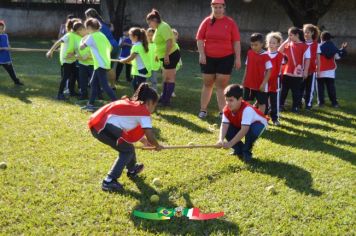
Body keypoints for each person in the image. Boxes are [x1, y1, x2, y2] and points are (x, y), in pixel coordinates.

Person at [89, 83, 163, 192]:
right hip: (103, 127)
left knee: (128, 147)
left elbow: (127, 125)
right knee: (127, 150)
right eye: (155, 105)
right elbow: (150, 135)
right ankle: (109, 181)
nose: (154, 109)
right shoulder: (143, 111)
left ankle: (132, 169)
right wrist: (157, 145)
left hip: (99, 125)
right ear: (150, 103)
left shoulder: (134, 105)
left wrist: (143, 140)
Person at [196, 0, 241, 119]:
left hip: (226, 58)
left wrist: (238, 58)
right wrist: (202, 54)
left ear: (224, 8)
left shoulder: (230, 22)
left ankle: (223, 112)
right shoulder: (206, 21)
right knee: (208, 84)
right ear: (212, 8)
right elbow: (200, 39)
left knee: (221, 85)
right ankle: (203, 110)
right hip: (208, 58)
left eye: (220, 7)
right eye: (215, 7)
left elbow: (236, 42)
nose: (217, 9)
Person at [217, 84, 268, 162]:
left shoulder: (247, 110)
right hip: (241, 123)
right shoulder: (226, 109)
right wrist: (220, 139)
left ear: (240, 99)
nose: (228, 103)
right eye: (226, 100)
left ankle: (246, 152)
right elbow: (224, 125)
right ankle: (238, 150)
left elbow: (244, 130)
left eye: (231, 100)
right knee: (228, 129)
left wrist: (230, 143)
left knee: (250, 134)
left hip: (258, 124)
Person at [80, 18, 117, 111]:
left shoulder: (91, 36)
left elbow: (81, 48)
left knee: (105, 86)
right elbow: (110, 47)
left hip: (100, 64)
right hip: (102, 63)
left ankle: (117, 103)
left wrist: (83, 38)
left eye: (86, 28)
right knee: (93, 83)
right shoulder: (102, 35)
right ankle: (90, 104)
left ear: (89, 27)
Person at [146, 9, 181, 106]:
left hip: (171, 55)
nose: (149, 25)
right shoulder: (158, 28)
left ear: (155, 20)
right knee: (165, 78)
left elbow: (169, 41)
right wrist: (158, 55)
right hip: (165, 56)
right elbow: (159, 43)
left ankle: (166, 100)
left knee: (169, 78)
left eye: (150, 23)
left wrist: (166, 55)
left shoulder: (163, 27)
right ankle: (163, 98)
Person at [85, 8, 119, 90]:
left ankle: (101, 86)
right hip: (115, 45)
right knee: (110, 67)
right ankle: (112, 85)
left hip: (108, 47)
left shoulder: (94, 25)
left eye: (86, 16)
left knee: (101, 66)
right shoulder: (102, 23)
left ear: (89, 16)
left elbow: (95, 39)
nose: (86, 18)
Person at [279, 27, 310, 113]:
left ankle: (295, 107)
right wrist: (286, 41)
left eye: (291, 35)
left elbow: (307, 59)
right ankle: (281, 105)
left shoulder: (305, 46)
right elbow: (279, 51)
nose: (289, 37)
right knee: (284, 90)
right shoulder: (288, 44)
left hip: (297, 73)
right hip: (286, 72)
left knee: (296, 91)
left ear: (297, 35)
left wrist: (306, 71)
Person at [47, 18, 80, 100]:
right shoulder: (68, 35)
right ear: (76, 28)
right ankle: (60, 94)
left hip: (72, 59)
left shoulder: (77, 36)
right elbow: (58, 42)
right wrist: (51, 51)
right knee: (65, 77)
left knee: (74, 75)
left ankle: (71, 91)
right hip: (66, 60)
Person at [242, 33, 272, 114]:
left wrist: (263, 83)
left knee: (262, 102)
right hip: (249, 83)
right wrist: (244, 79)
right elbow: (247, 67)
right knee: (246, 100)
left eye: (256, 45)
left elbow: (269, 70)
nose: (253, 47)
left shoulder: (266, 55)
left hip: (260, 84)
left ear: (262, 44)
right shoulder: (249, 53)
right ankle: (246, 115)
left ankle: (261, 118)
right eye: (252, 45)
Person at [317, 31, 347, 108]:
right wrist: (343, 49)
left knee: (320, 88)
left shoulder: (318, 46)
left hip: (320, 70)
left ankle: (321, 103)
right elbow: (338, 56)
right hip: (330, 71)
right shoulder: (333, 47)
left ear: (321, 38)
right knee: (331, 88)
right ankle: (334, 103)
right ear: (330, 39)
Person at [266, 32, 284, 125]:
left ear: (278, 44)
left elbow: (280, 69)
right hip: (265, 81)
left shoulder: (280, 56)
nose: (271, 44)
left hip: (275, 81)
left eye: (273, 43)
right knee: (263, 100)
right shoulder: (264, 54)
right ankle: (263, 118)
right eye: (270, 42)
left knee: (274, 101)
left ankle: (275, 118)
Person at [0, 20, 24, 86]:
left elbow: (8, 44)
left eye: (2, 29)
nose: (0, 30)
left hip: (6, 57)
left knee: (11, 71)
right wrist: (2, 48)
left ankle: (16, 82)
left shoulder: (5, 36)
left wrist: (10, 48)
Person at [302, 24, 320, 109]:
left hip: (312, 70)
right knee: (300, 87)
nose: (306, 34)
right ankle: (298, 103)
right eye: (304, 32)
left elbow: (318, 59)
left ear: (312, 33)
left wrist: (318, 70)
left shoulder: (317, 45)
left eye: (308, 32)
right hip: (301, 70)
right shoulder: (301, 43)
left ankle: (308, 104)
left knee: (310, 88)